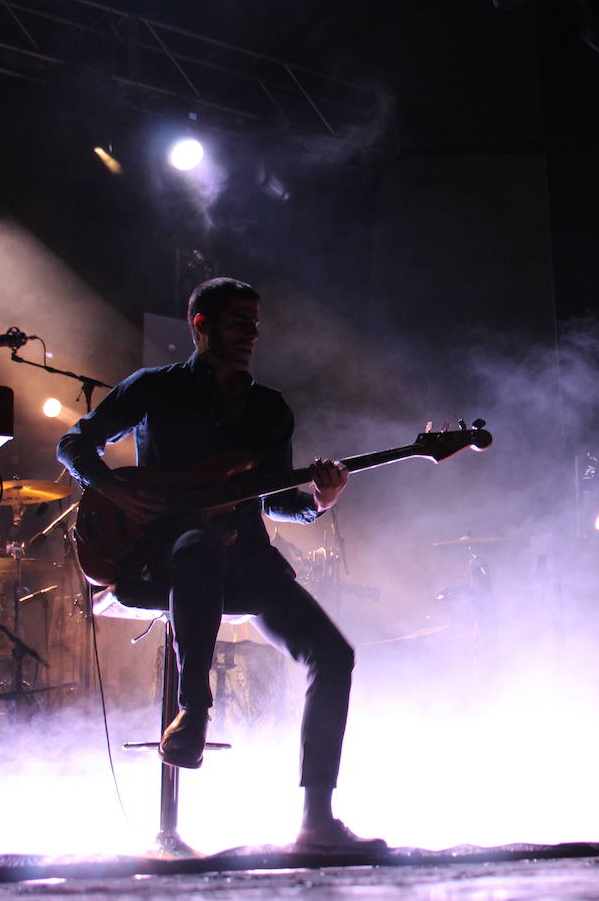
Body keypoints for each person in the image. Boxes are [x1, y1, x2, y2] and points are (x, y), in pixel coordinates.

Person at [58, 277, 382, 851]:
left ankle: (317, 821)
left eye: (255, 322)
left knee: (334, 655)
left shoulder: (267, 409)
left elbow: (273, 496)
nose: (251, 333)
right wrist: (112, 487)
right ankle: (195, 709)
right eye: (238, 321)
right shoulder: (153, 389)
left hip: (244, 563)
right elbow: (75, 444)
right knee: (196, 546)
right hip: (151, 563)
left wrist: (318, 501)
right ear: (200, 325)